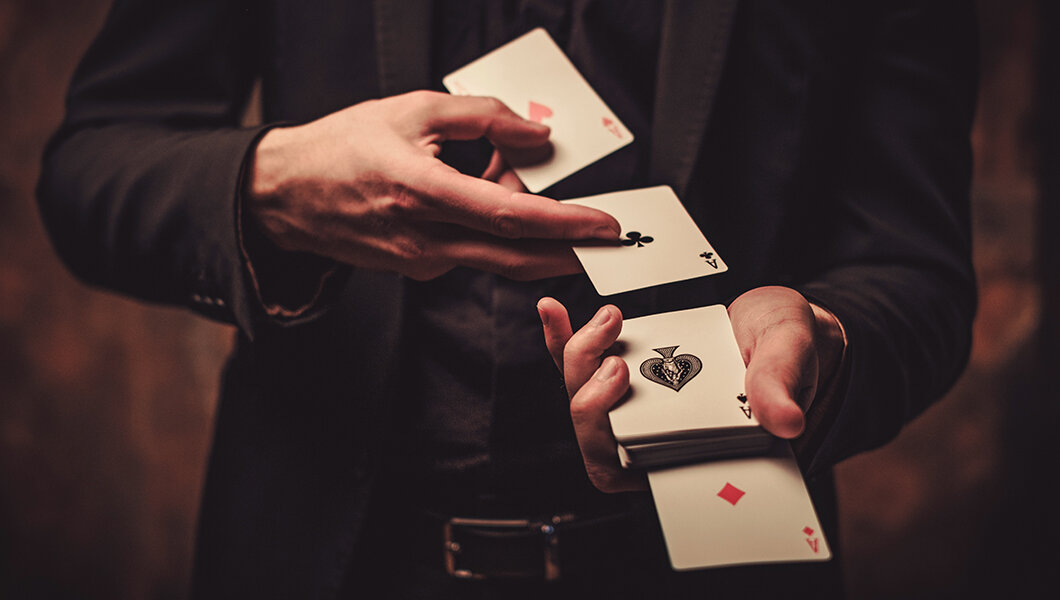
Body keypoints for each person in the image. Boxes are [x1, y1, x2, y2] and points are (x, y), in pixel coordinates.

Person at [37, 0, 977, 598]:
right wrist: (269, 184)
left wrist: (826, 338)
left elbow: (917, 269)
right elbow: (87, 175)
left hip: (718, 565)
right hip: (333, 555)